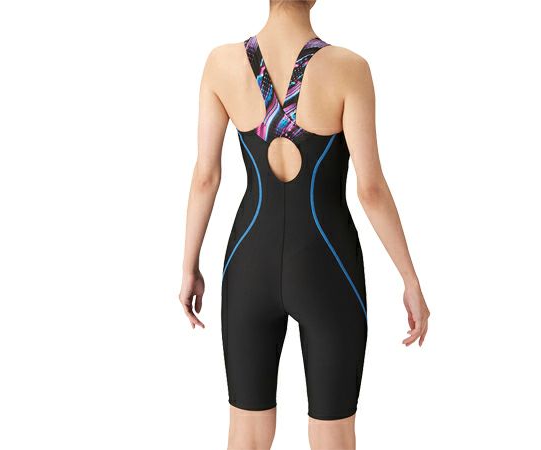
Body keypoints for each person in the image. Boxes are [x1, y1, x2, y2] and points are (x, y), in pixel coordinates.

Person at [178, 0, 430, 448]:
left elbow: (205, 177)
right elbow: (370, 189)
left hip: (248, 262)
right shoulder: (349, 69)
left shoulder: (221, 64)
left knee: (246, 433)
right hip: (327, 265)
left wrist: (188, 266)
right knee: (334, 435)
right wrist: (410, 279)